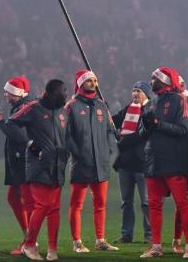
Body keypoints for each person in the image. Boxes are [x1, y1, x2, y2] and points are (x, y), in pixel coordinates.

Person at [7, 78, 70, 261]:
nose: (66, 94)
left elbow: (68, 136)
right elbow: (10, 124)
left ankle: (52, 250)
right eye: (63, 90)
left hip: (57, 165)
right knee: (43, 205)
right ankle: (29, 245)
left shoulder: (62, 111)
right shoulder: (33, 108)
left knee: (55, 209)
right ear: (51, 92)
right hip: (38, 164)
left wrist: (67, 152)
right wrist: (29, 143)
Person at [140, 66, 188, 259]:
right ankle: (156, 246)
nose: (151, 81)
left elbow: (183, 129)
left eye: (153, 78)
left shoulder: (180, 100)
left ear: (164, 81)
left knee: (182, 204)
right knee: (154, 205)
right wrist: (145, 126)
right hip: (152, 160)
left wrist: (158, 124)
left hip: (173, 159)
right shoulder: (151, 103)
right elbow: (144, 133)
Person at [65, 70, 120, 252]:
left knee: (100, 204)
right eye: (89, 80)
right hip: (82, 163)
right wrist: (78, 153)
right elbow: (66, 135)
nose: (93, 83)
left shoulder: (102, 105)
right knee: (77, 204)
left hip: (101, 163)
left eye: (95, 80)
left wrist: (109, 149)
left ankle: (100, 241)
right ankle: (77, 242)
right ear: (80, 83)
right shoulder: (71, 106)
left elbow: (108, 131)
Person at [0, 76, 34, 255]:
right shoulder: (21, 106)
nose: (5, 95)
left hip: (24, 160)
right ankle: (27, 237)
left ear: (16, 93)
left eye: (8, 92)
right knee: (14, 198)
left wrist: (0, 122)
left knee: (27, 200)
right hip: (18, 160)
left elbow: (18, 135)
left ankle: (30, 241)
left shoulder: (25, 108)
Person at [113, 81, 155, 244]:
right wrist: (103, 111)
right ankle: (126, 234)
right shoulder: (128, 109)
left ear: (145, 93)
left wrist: (123, 142)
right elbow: (113, 122)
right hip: (125, 164)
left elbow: (142, 135)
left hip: (142, 163)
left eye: (138, 91)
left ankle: (150, 235)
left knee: (146, 203)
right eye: (133, 91)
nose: (135, 94)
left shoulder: (150, 110)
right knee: (126, 203)